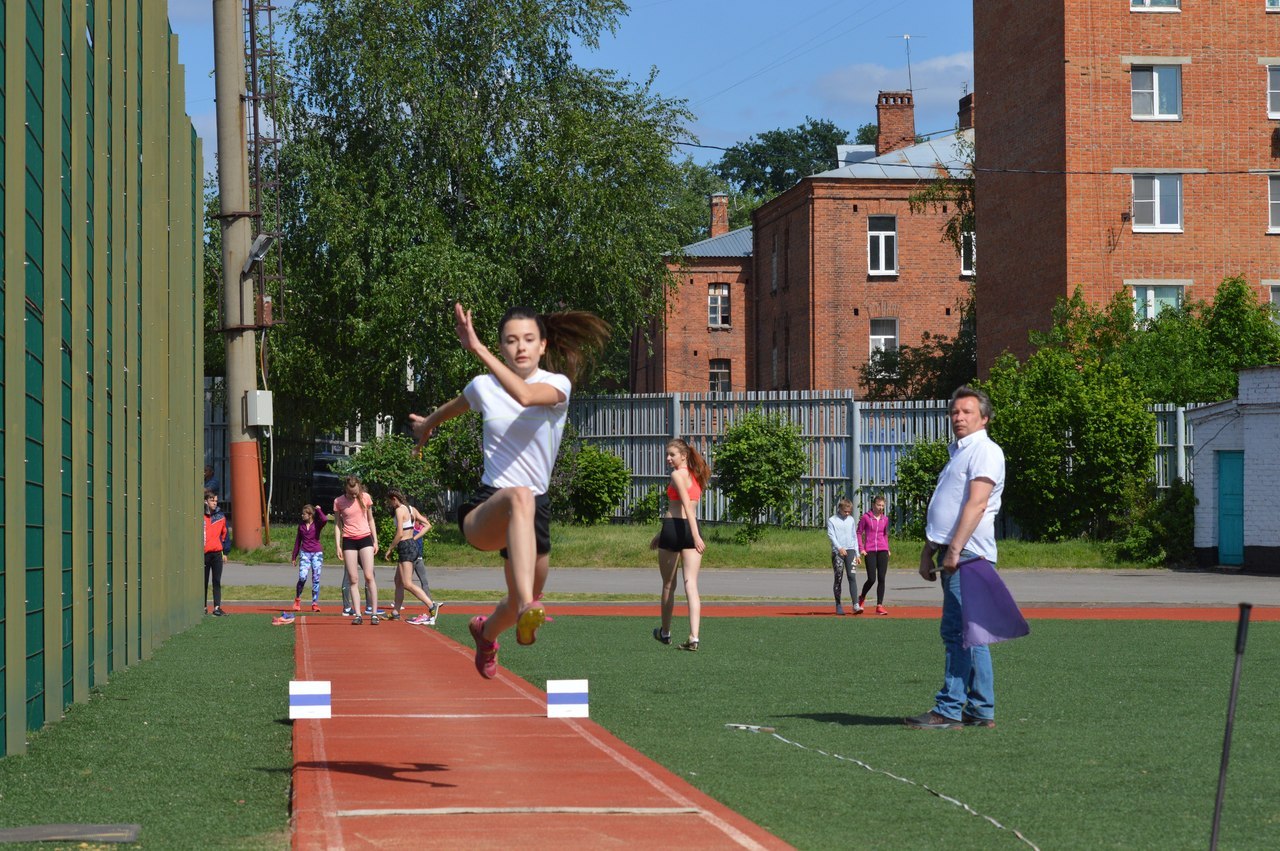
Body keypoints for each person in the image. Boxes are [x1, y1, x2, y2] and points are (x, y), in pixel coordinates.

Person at [410, 303, 609, 678]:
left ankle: (486, 634)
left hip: (535, 510)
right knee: (519, 496)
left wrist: (478, 348)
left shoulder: (557, 386)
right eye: (511, 340)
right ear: (501, 347)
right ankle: (524, 611)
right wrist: (427, 426)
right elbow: (450, 409)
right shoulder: (483, 386)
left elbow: (526, 397)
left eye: (528, 340)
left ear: (543, 346)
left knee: (521, 591)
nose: (520, 347)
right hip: (488, 506)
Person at [905, 386, 1005, 731]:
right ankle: (979, 709)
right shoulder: (959, 454)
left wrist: (955, 550)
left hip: (969, 556)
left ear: (984, 418)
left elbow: (976, 504)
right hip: (959, 553)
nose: (959, 418)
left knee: (960, 633)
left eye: (967, 412)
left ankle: (949, 710)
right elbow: (946, 510)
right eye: (955, 412)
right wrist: (928, 551)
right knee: (970, 634)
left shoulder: (985, 451)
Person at [651, 438, 710, 650]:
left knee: (669, 584)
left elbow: (684, 505)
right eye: (667, 454)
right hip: (683, 529)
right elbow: (688, 509)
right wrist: (692, 535)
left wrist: (695, 536)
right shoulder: (697, 476)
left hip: (677, 528)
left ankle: (665, 633)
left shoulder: (677, 474)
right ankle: (694, 636)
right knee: (691, 584)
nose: (668, 459)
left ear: (683, 456)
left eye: (672, 455)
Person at [383, 489, 443, 625]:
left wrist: (390, 549)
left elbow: (399, 533)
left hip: (405, 547)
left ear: (394, 499)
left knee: (407, 583)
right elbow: (427, 525)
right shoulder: (410, 509)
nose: (390, 505)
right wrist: (414, 538)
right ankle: (395, 612)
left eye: (389, 502)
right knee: (398, 580)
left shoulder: (399, 510)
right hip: (411, 545)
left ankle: (432, 605)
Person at [333, 476, 380, 625]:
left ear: (359, 488)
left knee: (368, 576)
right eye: (351, 493)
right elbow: (337, 524)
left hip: (365, 538)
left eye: (356, 492)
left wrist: (375, 540)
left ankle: (373, 613)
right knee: (353, 579)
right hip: (349, 540)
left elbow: (371, 519)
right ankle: (358, 614)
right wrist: (338, 545)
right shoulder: (338, 502)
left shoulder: (365, 497)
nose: (354, 496)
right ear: (346, 489)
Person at [857, 495, 892, 615]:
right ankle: (862, 597)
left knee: (882, 578)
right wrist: (861, 548)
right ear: (873, 505)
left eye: (882, 505)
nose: (881, 507)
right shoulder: (866, 518)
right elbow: (859, 533)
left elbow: (885, 534)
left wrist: (887, 548)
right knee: (872, 578)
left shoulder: (885, 519)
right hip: (870, 550)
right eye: (879, 505)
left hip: (882, 550)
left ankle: (879, 605)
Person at [825, 497, 861, 615]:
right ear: (839, 508)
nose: (847, 514)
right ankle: (838, 604)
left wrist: (857, 553)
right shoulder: (832, 520)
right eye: (845, 511)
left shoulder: (850, 520)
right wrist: (839, 548)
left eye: (849, 511)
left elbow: (854, 536)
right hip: (838, 551)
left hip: (850, 550)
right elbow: (831, 535)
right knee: (838, 577)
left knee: (852, 576)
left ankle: (855, 604)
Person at [291, 504, 328, 612]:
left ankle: (315, 603)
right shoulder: (301, 526)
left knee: (316, 579)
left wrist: (319, 509)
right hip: (305, 554)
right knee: (302, 577)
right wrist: (294, 556)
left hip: (317, 554)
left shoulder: (317, 524)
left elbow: (325, 519)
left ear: (310, 515)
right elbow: (298, 541)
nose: (302, 515)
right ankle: (297, 599)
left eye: (304, 514)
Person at [203, 490, 230, 616]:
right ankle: (202, 607)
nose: (214, 503)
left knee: (216, 581)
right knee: (203, 581)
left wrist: (225, 552)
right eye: (212, 500)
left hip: (217, 554)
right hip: (204, 554)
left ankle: (217, 607)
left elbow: (225, 535)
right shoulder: (201, 516)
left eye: (215, 501)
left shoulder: (220, 516)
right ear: (205, 501)